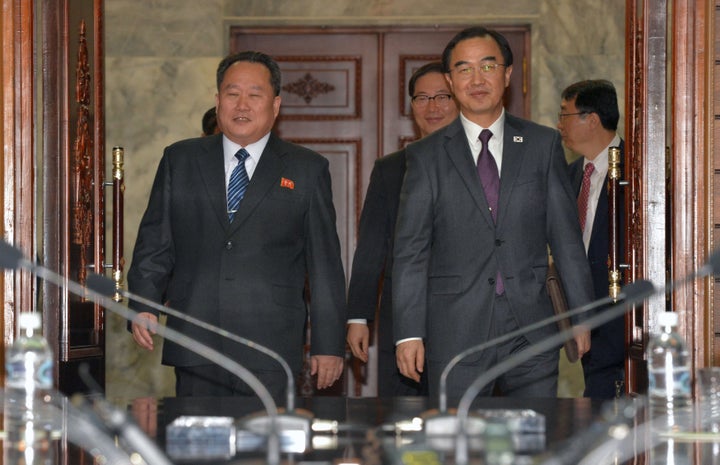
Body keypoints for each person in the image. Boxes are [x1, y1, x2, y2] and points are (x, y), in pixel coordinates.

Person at [127, 51, 347, 400]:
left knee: (264, 451)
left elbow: (325, 265)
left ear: (276, 105)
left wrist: (329, 343)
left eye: (254, 95)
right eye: (232, 93)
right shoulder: (180, 160)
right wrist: (143, 304)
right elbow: (155, 242)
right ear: (217, 102)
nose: (242, 104)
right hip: (195, 340)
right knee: (198, 450)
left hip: (271, 348)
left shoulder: (307, 169)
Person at [392, 26, 595, 400]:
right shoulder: (426, 156)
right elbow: (411, 251)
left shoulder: (541, 143)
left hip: (532, 326)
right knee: (456, 446)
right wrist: (408, 332)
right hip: (455, 330)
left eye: (488, 66)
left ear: (507, 74)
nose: (477, 79)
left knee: (536, 442)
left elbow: (565, 238)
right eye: (464, 69)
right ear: (451, 80)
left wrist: (582, 314)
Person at [346, 62, 459, 396]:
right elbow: (370, 248)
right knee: (402, 424)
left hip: (467, 317)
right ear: (412, 107)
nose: (432, 107)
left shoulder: (482, 163)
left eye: (442, 96)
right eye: (421, 98)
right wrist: (358, 316)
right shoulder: (390, 169)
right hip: (403, 320)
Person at [558, 79, 625, 399]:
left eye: (565, 115)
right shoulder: (568, 175)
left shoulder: (639, 168)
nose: (559, 125)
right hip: (581, 313)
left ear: (592, 120)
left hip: (624, 316)